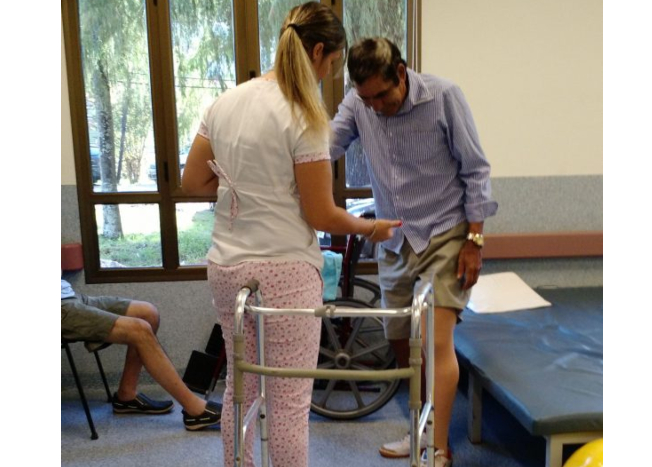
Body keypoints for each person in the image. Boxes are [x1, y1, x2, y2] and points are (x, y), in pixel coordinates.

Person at [181, 4, 401, 467]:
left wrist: (246, 184)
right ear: (318, 51)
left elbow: (192, 182)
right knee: (288, 404)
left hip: (227, 266)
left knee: (240, 390)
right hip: (284, 270)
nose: (328, 73)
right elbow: (321, 215)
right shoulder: (304, 114)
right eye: (332, 63)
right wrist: (371, 227)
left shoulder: (225, 102)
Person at [329, 38, 499, 467]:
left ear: (401, 74)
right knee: (402, 343)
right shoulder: (358, 103)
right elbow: (324, 147)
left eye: (381, 96)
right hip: (394, 237)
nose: (374, 107)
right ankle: (421, 428)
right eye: (366, 98)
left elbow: (475, 170)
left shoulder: (443, 97)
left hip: (445, 232)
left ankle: (439, 448)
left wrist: (474, 241)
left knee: (437, 343)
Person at [61, 278, 222, 431]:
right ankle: (195, 410)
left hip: (69, 295)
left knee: (147, 313)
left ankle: (126, 395)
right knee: (139, 330)